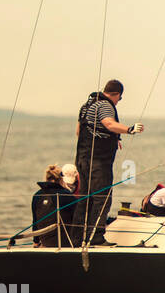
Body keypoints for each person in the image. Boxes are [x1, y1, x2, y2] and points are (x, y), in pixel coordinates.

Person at [74, 79, 144, 246]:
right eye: (119, 99)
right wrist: (129, 129)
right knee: (102, 198)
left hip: (82, 159)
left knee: (84, 199)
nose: (118, 102)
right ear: (117, 95)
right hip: (97, 161)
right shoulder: (105, 105)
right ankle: (96, 237)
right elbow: (108, 123)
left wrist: (110, 138)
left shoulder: (87, 105)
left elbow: (79, 131)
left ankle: (76, 238)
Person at [32, 164, 77, 248]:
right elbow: (77, 220)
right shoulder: (67, 195)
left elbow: (35, 222)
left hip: (45, 242)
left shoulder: (37, 195)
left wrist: (36, 242)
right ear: (61, 179)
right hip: (66, 243)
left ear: (46, 179)